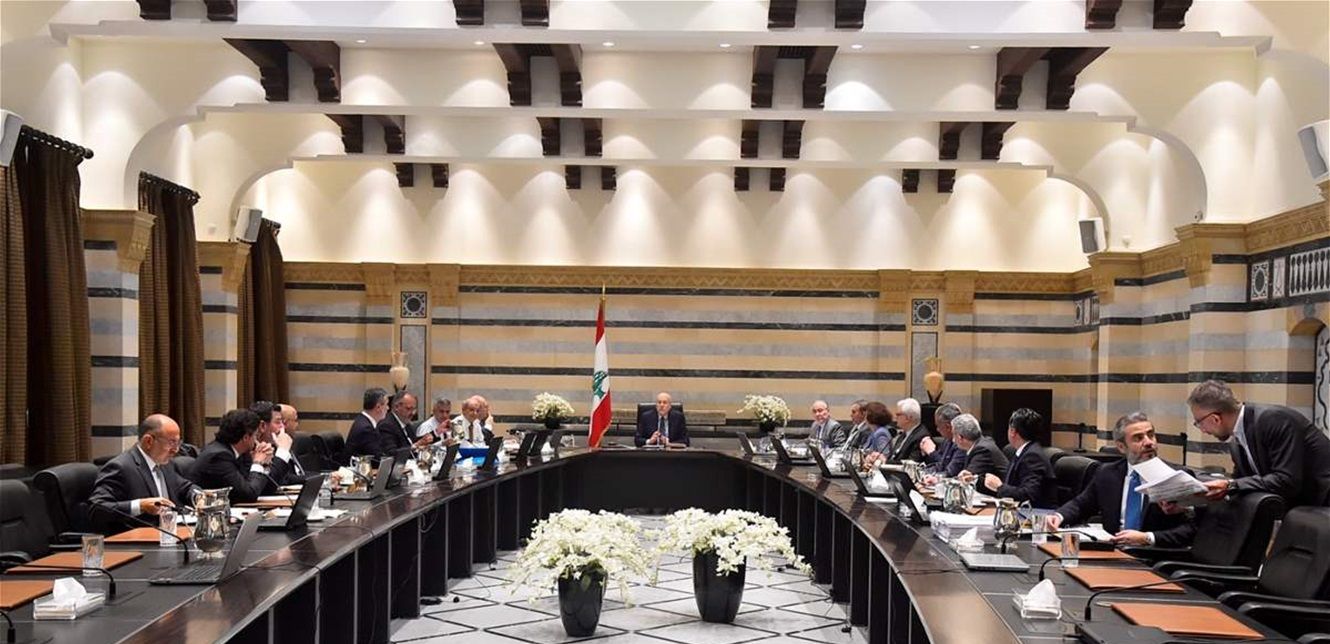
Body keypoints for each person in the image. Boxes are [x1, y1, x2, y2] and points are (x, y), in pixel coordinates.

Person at [1046, 412, 1198, 546]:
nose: (1148, 442)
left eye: (1151, 435)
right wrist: (1059, 516)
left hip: (1154, 555)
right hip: (1112, 551)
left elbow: (1191, 529)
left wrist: (1148, 538)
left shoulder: (1177, 476)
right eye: (1138, 438)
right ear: (1121, 447)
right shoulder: (1107, 473)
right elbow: (1081, 505)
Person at [1188, 380, 1330, 507]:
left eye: (1199, 423)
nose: (1203, 430)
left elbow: (1287, 480)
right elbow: (1244, 482)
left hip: (1322, 505)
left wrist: (1231, 485)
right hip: (1300, 508)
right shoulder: (1236, 439)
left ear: (1215, 419)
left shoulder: (1273, 420)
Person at [88, 414, 198, 533]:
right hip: (136, 539)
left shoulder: (165, 463)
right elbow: (97, 508)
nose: (175, 450)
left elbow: (185, 487)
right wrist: (140, 505)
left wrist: (199, 497)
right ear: (148, 441)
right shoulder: (121, 467)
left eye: (178, 443)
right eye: (171, 443)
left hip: (170, 535)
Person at [192, 408, 275, 504]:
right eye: (255, 436)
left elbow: (260, 488)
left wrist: (265, 464)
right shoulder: (219, 457)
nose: (256, 441)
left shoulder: (238, 453)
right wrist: (258, 463)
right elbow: (248, 495)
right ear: (246, 437)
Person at [983, 408, 1057, 508]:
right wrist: (978, 479)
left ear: (1012, 431)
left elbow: (1029, 494)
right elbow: (1012, 484)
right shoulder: (1023, 451)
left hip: (1036, 513)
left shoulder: (1032, 456)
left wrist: (999, 487)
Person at [250, 401, 305, 484]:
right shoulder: (247, 451)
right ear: (262, 426)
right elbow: (270, 483)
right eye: (278, 422)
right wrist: (283, 451)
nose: (283, 427)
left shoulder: (274, 447)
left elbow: (287, 477)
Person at [955, 414, 1009, 485]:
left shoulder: (982, 450)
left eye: (954, 435)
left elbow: (967, 480)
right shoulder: (981, 443)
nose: (953, 440)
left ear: (959, 437)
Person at [920, 403, 966, 477]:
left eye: (938, 426)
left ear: (948, 427)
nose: (937, 430)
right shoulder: (947, 441)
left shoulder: (962, 443)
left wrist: (932, 453)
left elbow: (950, 472)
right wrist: (922, 473)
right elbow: (939, 465)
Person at [347, 388, 390, 458]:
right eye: (386, 404)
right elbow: (377, 458)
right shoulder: (366, 429)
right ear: (378, 407)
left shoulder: (363, 421)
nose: (388, 408)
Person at [887, 398, 928, 462]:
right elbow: (893, 456)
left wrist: (885, 461)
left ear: (909, 418)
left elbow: (911, 463)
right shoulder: (903, 434)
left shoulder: (921, 437)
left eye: (898, 414)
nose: (895, 417)